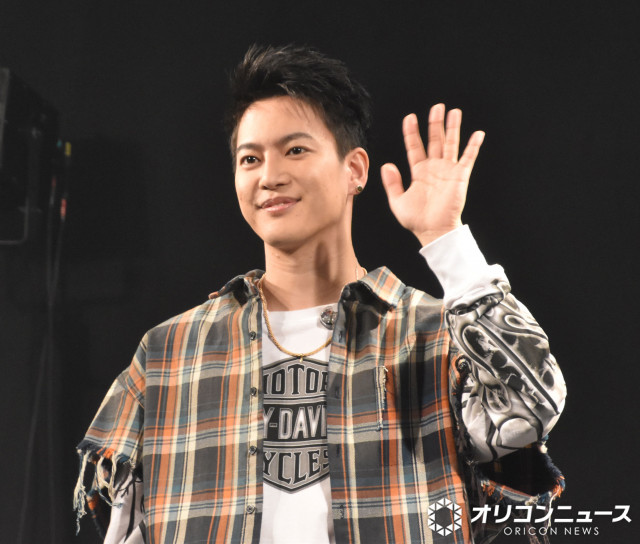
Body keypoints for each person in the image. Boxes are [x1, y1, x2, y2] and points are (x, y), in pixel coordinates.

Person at [74, 44, 566, 544]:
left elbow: (531, 408)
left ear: (355, 170)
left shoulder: (433, 335)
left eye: (295, 150)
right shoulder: (170, 352)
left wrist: (446, 238)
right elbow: (123, 523)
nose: (270, 177)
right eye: (250, 158)